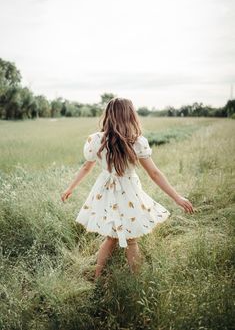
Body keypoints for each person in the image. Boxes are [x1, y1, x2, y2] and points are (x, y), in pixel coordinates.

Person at [61, 97, 194, 279]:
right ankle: (136, 281)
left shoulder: (96, 140)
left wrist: (71, 187)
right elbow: (154, 173)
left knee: (111, 238)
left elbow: (86, 166)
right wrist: (177, 197)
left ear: (108, 115)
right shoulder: (137, 141)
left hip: (105, 192)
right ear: (131, 115)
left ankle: (98, 276)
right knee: (131, 241)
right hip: (129, 192)